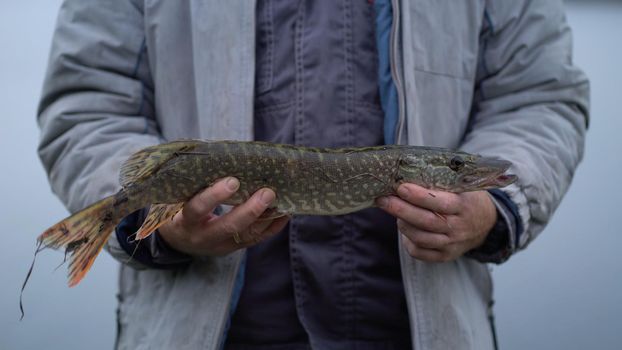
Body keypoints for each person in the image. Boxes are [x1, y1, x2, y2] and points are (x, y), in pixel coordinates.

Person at [37, 0, 588, 349]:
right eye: (455, 168)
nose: (466, 172)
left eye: (455, 167)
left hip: (414, 331)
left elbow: (539, 97)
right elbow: (89, 106)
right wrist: (156, 224)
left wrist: (495, 211)